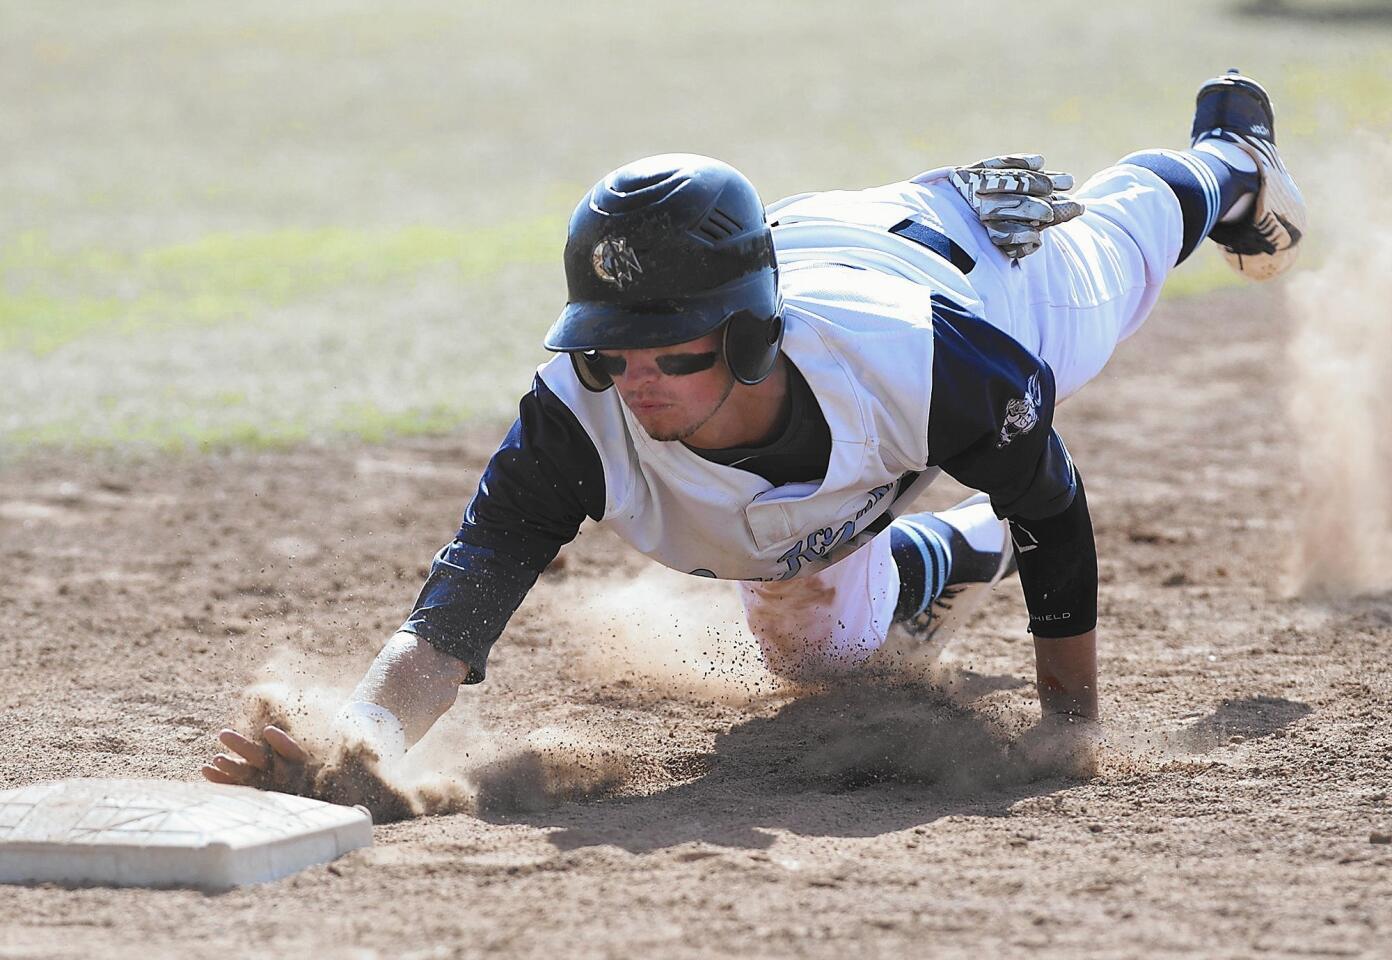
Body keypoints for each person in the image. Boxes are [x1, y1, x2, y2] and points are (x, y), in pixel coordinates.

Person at [203, 71, 1305, 792]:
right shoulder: (573, 420)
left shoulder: (937, 360)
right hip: (798, 282)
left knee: (1129, 238)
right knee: (819, 657)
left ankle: (1231, 159)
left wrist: (1071, 729)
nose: (635, 377)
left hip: (971, 267)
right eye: (608, 347)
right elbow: (453, 613)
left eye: (671, 349)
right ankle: (960, 547)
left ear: (746, 339)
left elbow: (1056, 513)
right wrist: (362, 744)